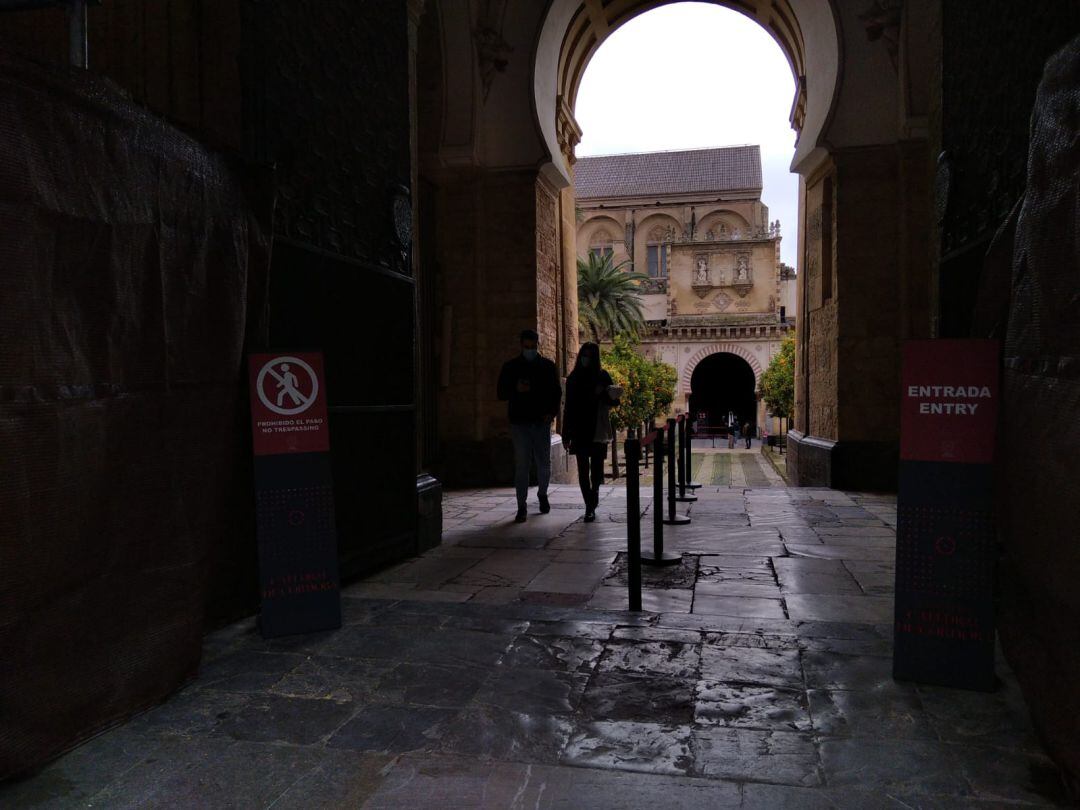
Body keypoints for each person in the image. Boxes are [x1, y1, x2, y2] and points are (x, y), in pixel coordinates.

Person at [497, 329, 562, 522]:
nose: (530, 350)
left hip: (541, 422)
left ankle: (542, 493)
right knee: (522, 465)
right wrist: (515, 389)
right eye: (527, 347)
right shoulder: (511, 367)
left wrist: (551, 414)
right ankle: (521, 506)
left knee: (544, 463)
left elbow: (556, 393)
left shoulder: (548, 367)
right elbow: (501, 392)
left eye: (533, 347)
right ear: (521, 345)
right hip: (520, 423)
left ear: (537, 345)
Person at [562, 342, 621, 522]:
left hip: (597, 429)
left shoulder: (602, 376)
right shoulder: (573, 378)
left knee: (596, 469)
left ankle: (593, 497)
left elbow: (614, 403)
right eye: (584, 355)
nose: (586, 359)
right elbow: (569, 407)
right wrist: (566, 434)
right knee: (582, 469)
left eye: (589, 356)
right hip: (579, 429)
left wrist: (605, 393)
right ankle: (589, 504)